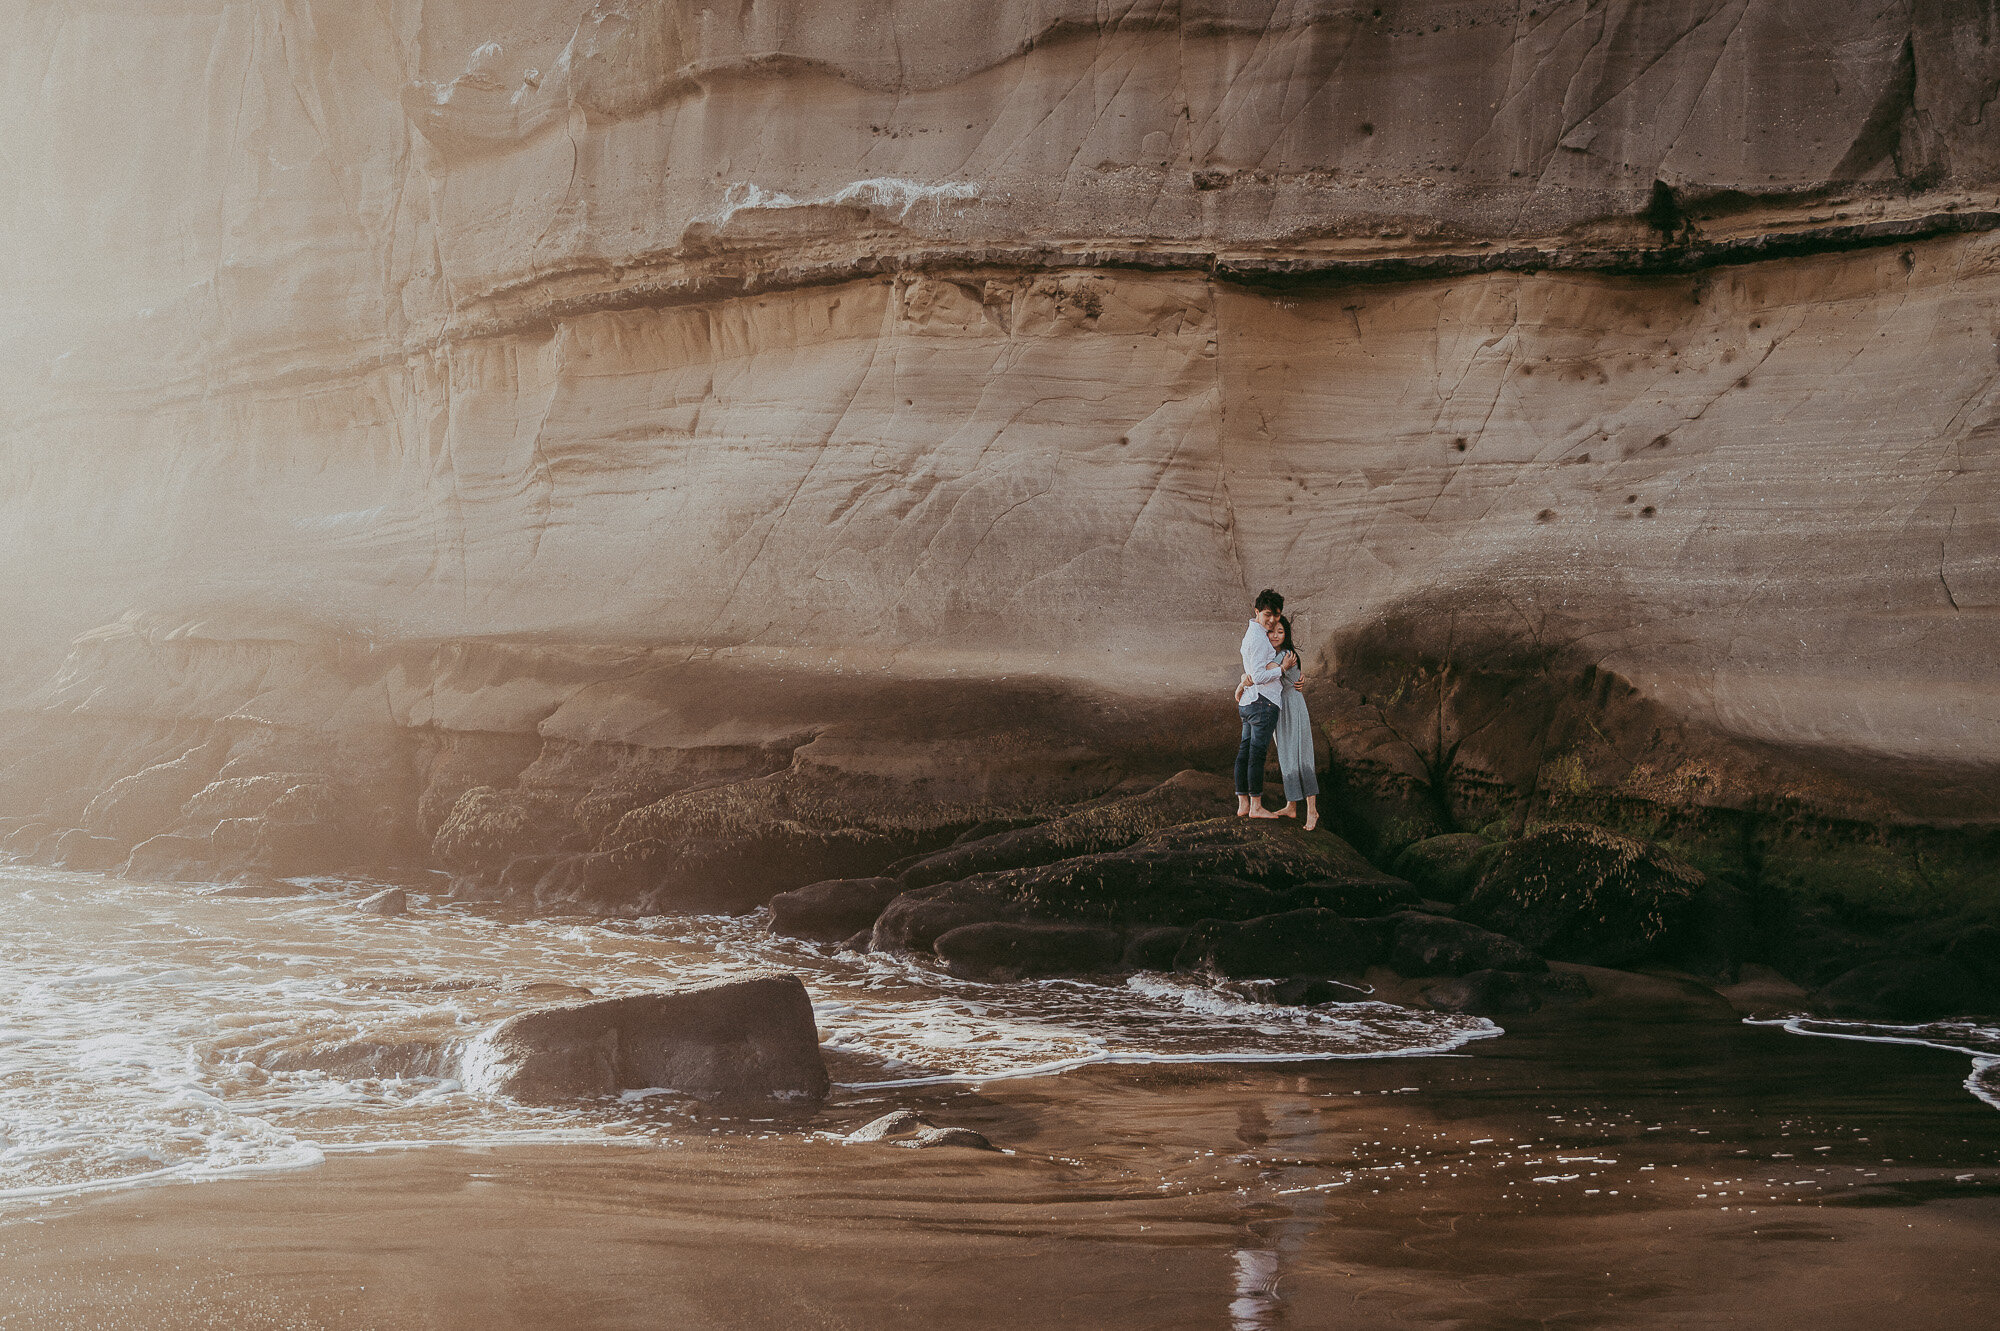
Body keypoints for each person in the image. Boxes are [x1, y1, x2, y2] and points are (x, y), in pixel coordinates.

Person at [1237, 614, 1320, 831]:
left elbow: (1260, 674)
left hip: (1292, 706)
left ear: (1286, 635)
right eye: (1272, 631)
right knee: (1286, 756)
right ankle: (1291, 805)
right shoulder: (1271, 654)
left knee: (1302, 754)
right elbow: (1260, 671)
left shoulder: (1285, 655)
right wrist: (1245, 677)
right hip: (1278, 707)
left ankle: (1312, 810)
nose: (1275, 635)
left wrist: (1244, 680)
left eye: (1280, 632)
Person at [1234, 589, 1293, 818]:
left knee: (1244, 752)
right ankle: (1256, 806)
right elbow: (1258, 675)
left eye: (1277, 616)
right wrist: (1282, 669)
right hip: (1263, 702)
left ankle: (1243, 804)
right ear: (1257, 611)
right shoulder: (1259, 638)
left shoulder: (1251, 633)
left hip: (1249, 702)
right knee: (1256, 755)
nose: (1272, 620)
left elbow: (1251, 672)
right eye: (1268, 614)